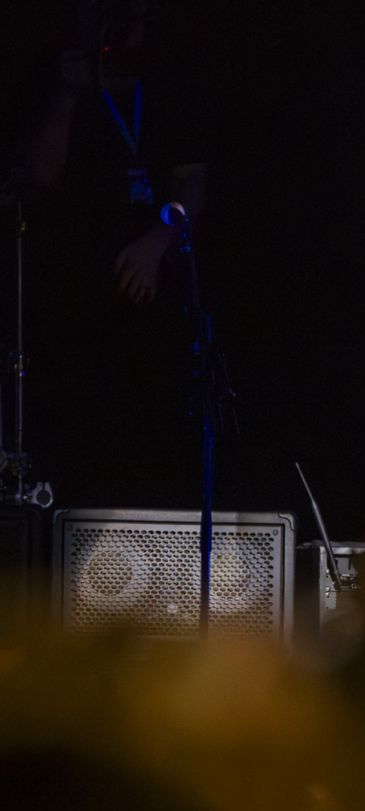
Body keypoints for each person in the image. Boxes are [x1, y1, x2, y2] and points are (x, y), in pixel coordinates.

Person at [15, 0, 209, 507]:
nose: (125, 31)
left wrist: (157, 241)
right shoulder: (58, 81)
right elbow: (38, 175)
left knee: (149, 439)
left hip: (148, 295)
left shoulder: (166, 89)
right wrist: (67, 93)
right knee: (77, 443)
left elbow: (192, 184)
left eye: (138, 19)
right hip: (73, 300)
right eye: (115, 18)